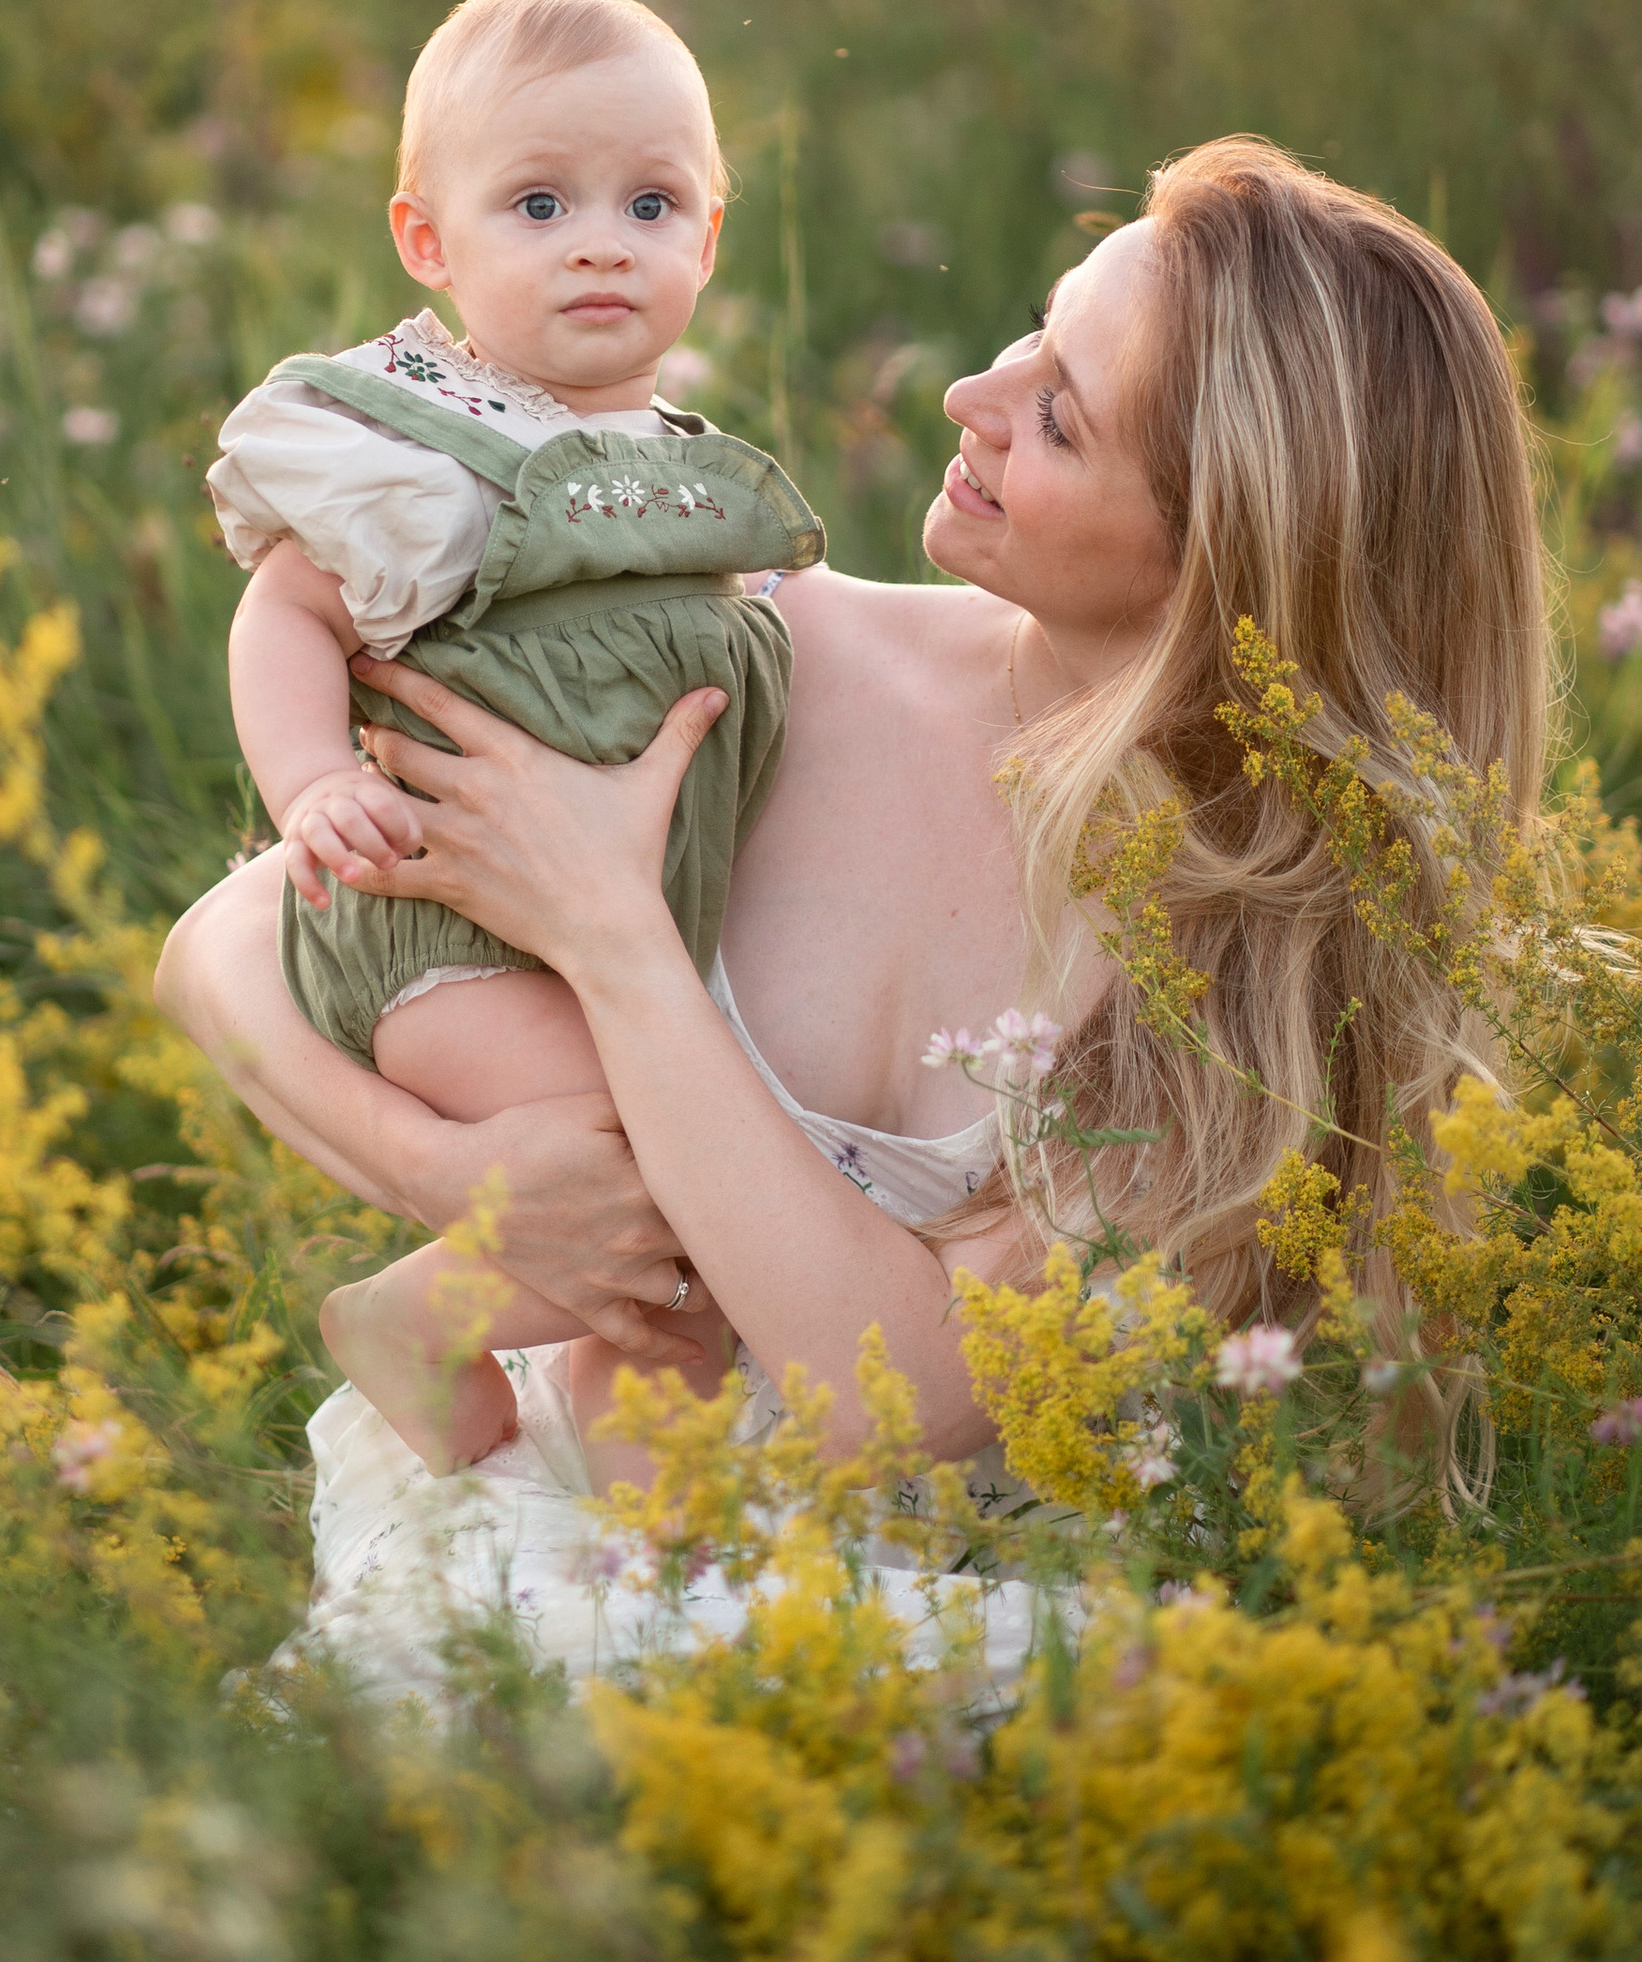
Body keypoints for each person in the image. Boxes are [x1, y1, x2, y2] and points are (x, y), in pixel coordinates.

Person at [157, 134, 1552, 1689]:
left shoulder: (1261, 946)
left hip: (985, 1604)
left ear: (1225, 557)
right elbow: (227, 949)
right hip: (573, 1512)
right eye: (1034, 329)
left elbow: (897, 1393)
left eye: (1060, 416)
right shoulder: (740, 649)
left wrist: (616, 941)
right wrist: (445, 1173)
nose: (970, 396)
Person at [205, 0, 822, 1491]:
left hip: (606, 934)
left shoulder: (686, 477)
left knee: (690, 1264)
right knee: (665, 1171)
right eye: (540, 205)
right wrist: (313, 783)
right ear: (429, 243)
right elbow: (287, 614)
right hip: (450, 928)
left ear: (708, 239)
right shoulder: (429, 452)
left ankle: (634, 1510)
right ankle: (409, 1318)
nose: (601, 242)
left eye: (650, 205)